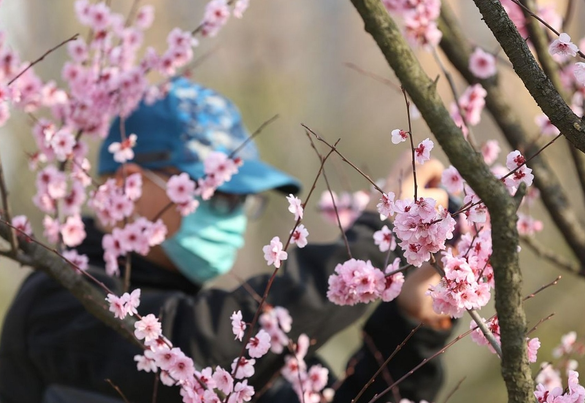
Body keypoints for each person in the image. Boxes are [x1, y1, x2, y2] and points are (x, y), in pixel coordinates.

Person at [0, 78, 453, 403]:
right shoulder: (59, 304)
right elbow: (195, 350)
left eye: (243, 202)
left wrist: (410, 323)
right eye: (218, 195)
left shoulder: (245, 354)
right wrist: (385, 230)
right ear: (127, 187)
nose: (234, 217)